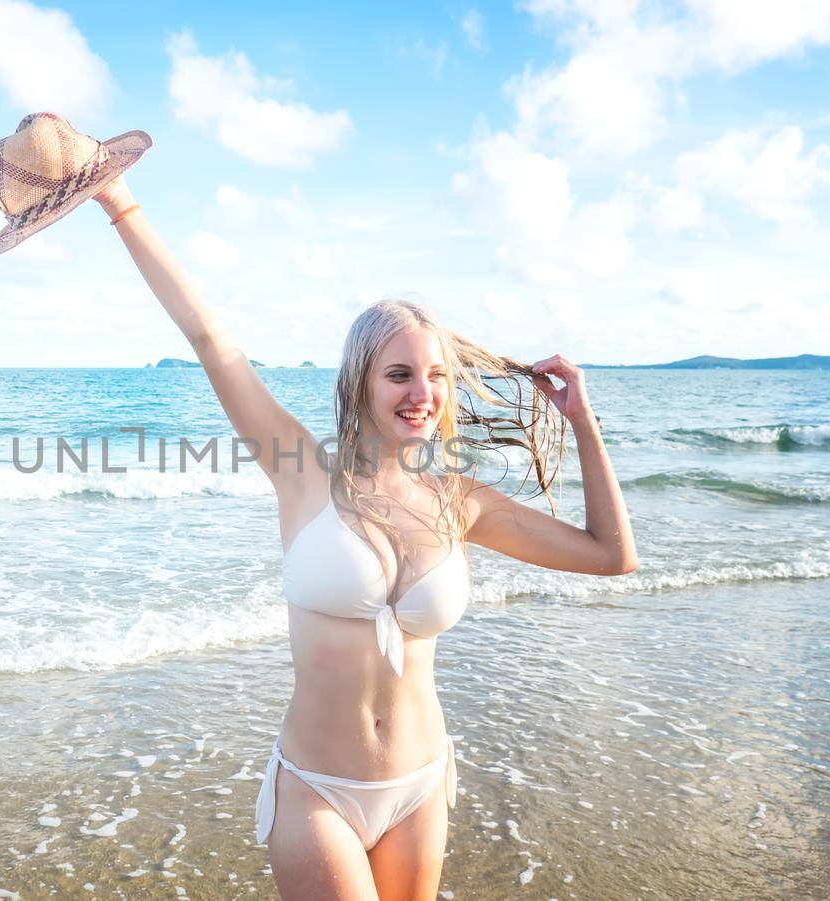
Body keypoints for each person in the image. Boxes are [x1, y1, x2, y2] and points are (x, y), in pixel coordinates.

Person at [92, 174, 637, 901]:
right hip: (319, 788)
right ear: (359, 383)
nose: (424, 392)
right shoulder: (301, 471)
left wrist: (582, 420)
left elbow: (611, 555)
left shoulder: (460, 503)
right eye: (401, 373)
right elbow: (208, 338)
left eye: (437, 375)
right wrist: (119, 202)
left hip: (418, 785)